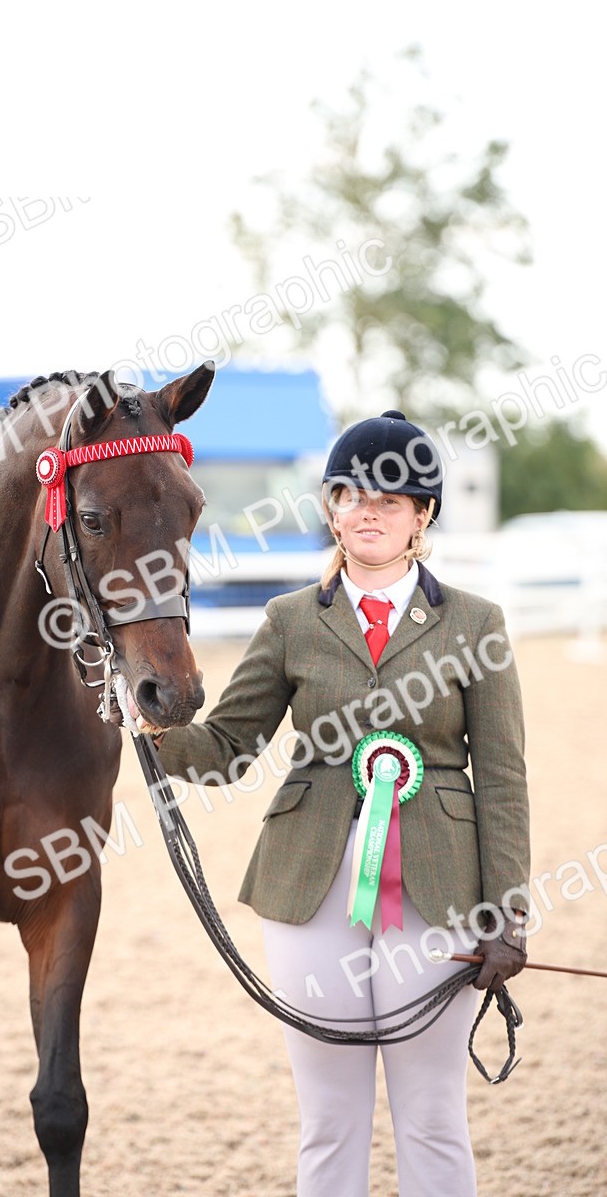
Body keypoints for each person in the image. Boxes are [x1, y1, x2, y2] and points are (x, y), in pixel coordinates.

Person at [155, 410, 530, 1197]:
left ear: (422, 515)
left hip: (442, 886)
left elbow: (501, 776)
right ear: (330, 507)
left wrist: (508, 915)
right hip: (308, 884)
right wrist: (149, 730)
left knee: (431, 1112)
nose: (368, 510)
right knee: (328, 1118)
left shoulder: (475, 624)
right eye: (352, 494)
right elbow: (228, 744)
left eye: (390, 500)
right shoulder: (290, 620)